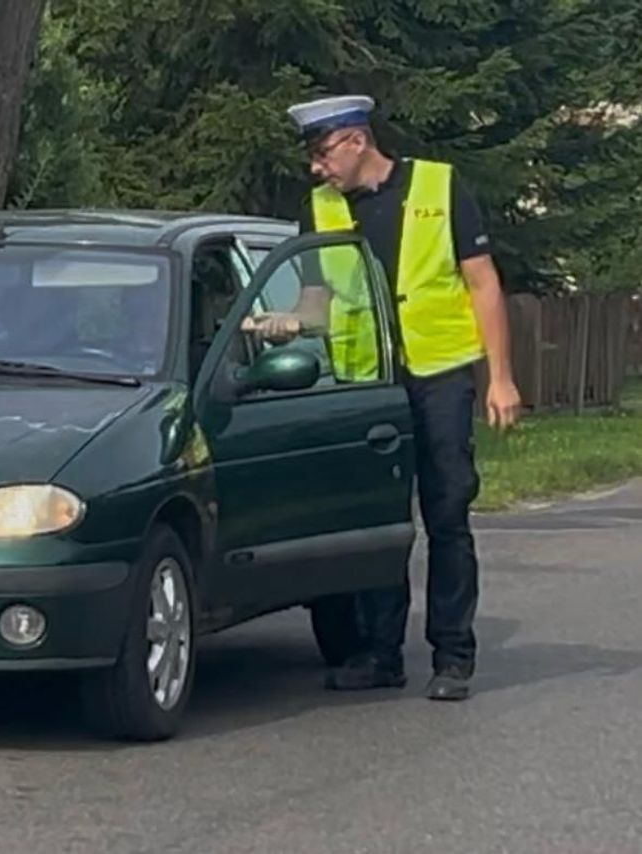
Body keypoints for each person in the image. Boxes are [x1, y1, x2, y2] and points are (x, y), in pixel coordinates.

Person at [242, 94, 521, 701]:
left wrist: (499, 378)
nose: (317, 168)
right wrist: (288, 323)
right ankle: (380, 654)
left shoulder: (439, 187)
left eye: (323, 154)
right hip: (370, 383)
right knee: (378, 519)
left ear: (357, 140)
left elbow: (482, 284)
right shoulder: (319, 208)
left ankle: (453, 656)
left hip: (440, 375)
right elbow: (317, 302)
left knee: (447, 514)